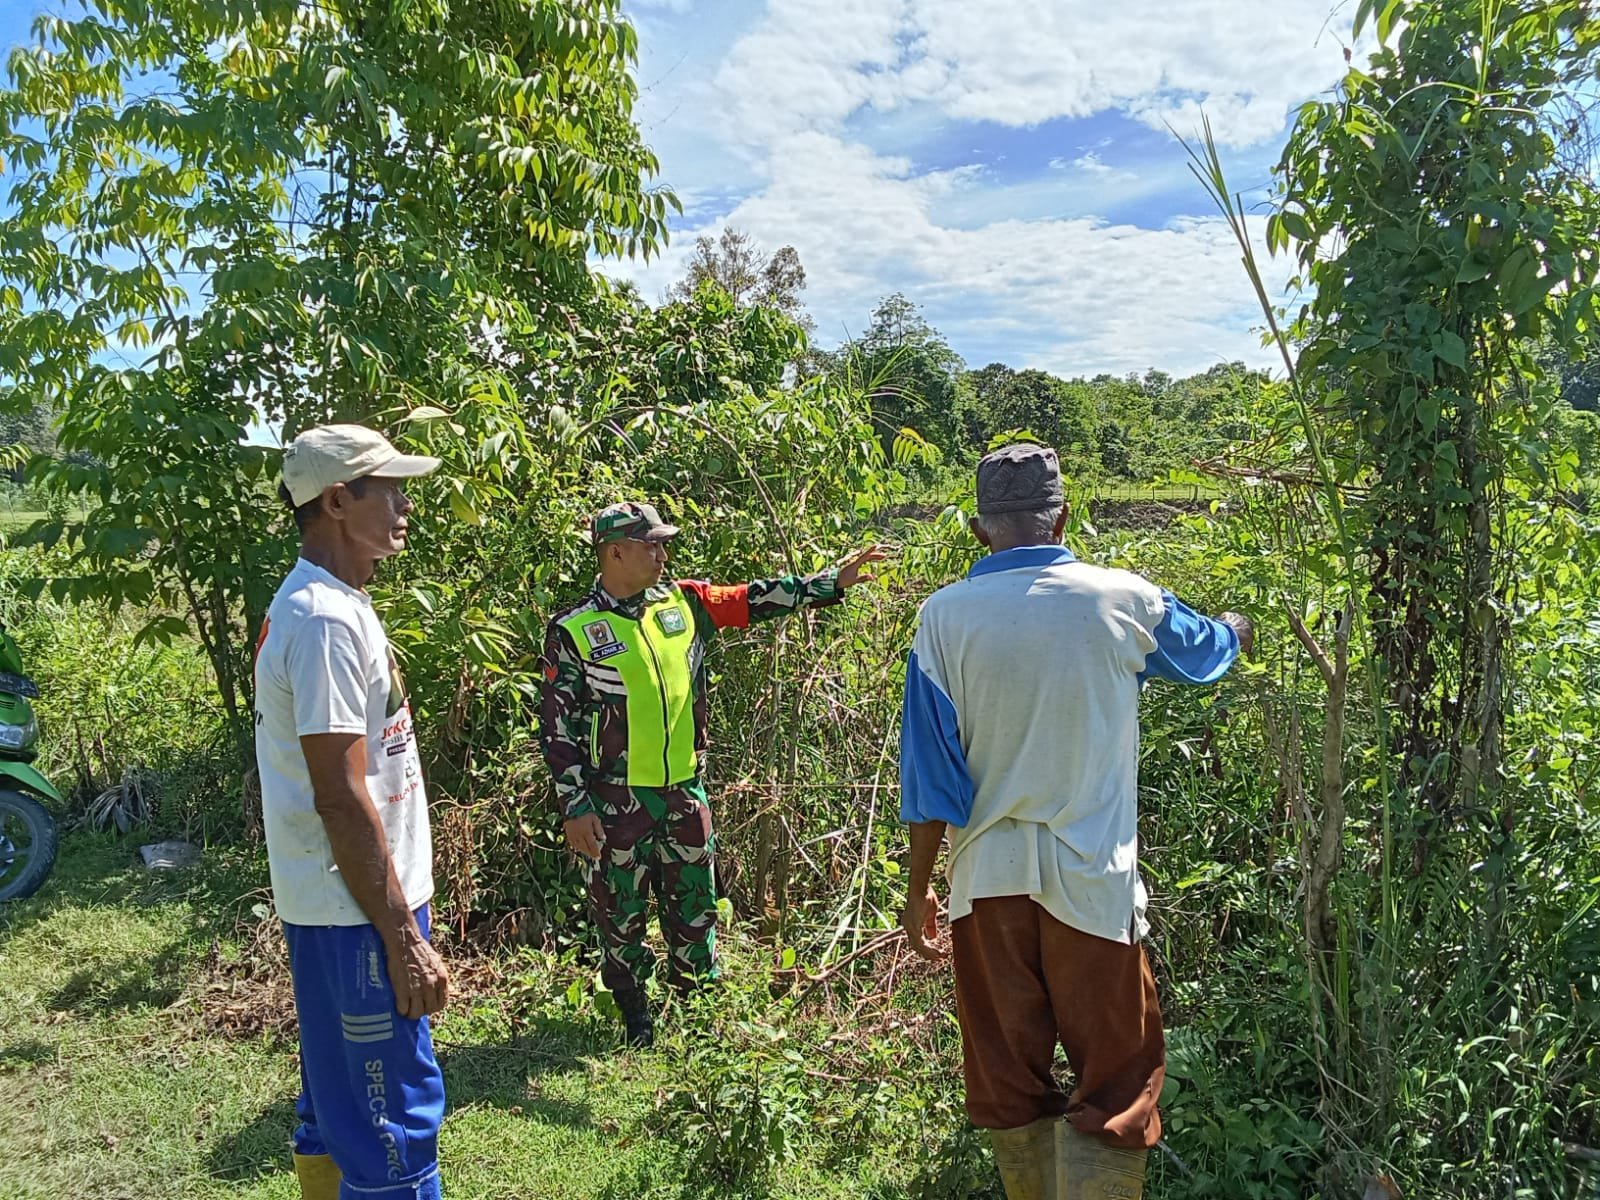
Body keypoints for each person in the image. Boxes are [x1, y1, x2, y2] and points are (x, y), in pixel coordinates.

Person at [897, 444, 1254, 1200]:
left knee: (1008, 1079)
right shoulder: (1122, 600)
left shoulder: (943, 619)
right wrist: (1236, 628)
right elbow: (1207, 654)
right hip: (1091, 881)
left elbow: (931, 781)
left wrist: (919, 889)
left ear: (978, 529)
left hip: (986, 884)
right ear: (1062, 517)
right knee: (1118, 1082)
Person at [539, 500, 883, 1047]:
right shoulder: (574, 630)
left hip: (683, 793)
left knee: (696, 906)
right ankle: (635, 1016)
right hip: (615, 801)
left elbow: (753, 599)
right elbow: (557, 729)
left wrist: (829, 584)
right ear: (615, 552)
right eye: (651, 544)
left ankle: (697, 1014)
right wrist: (575, 806)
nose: (662, 554)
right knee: (620, 912)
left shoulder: (685, 602)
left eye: (663, 543)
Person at [254, 424, 451, 1200]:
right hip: (356, 913)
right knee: (390, 1124)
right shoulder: (325, 621)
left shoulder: (332, 603)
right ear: (337, 501)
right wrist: (402, 936)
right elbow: (338, 793)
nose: (406, 505)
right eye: (390, 489)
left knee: (335, 1105)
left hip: (344, 903)